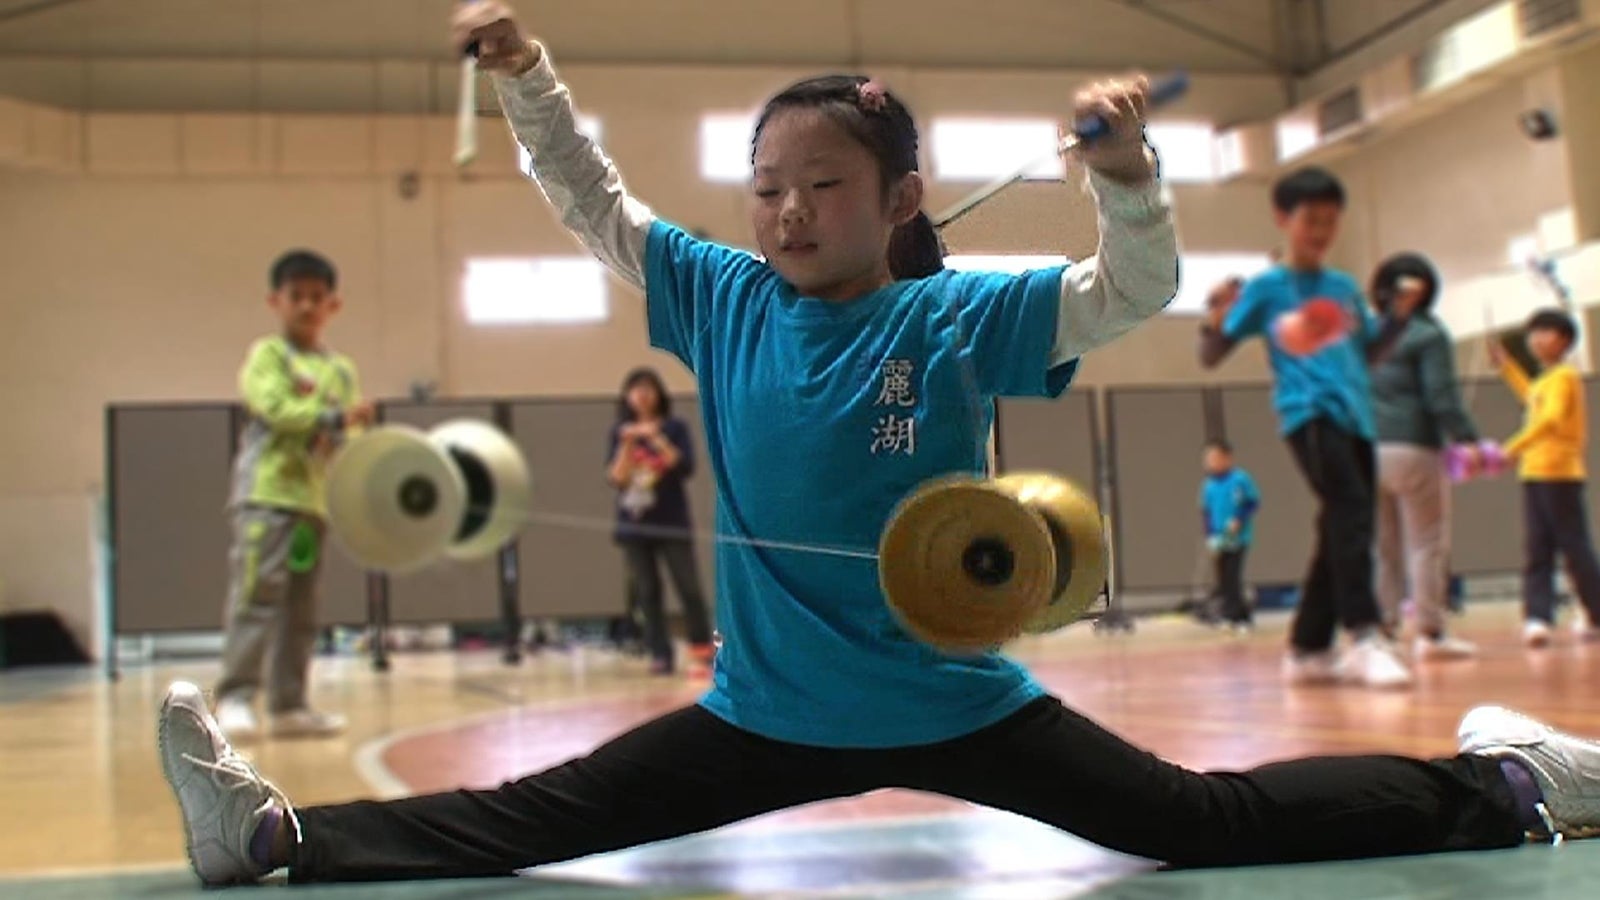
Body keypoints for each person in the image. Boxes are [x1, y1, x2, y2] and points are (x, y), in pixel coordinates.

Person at [158, 6, 1600, 887]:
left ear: (896, 192)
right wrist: (531, 74)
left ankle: (1520, 786)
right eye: (767, 187)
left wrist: (1127, 181)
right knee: (530, 819)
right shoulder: (722, 295)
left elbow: (1134, 293)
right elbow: (599, 208)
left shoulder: (963, 315)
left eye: (822, 186)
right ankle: (275, 838)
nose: (786, 213)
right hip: (768, 713)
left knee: (1204, 822)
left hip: (958, 701)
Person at [1197, 167, 1420, 690]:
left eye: (1330, 221)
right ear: (1283, 218)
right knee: (1352, 514)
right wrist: (1213, 314)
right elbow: (1213, 353)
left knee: (1340, 523)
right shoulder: (1267, 289)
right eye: (1310, 220)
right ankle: (1363, 633)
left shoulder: (1343, 289)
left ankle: (1308, 647)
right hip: (1309, 414)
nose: (1320, 231)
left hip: (1357, 417)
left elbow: (1368, 352)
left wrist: (1399, 318)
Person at [213, 250, 373, 741]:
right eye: (296, 296)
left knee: (301, 604)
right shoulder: (269, 355)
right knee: (258, 595)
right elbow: (273, 407)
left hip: (311, 505)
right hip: (267, 497)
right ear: (275, 301)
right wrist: (330, 420)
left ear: (333, 305)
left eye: (317, 297)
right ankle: (235, 695)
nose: (307, 306)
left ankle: (289, 704)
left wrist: (343, 437)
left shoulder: (341, 370)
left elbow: (348, 435)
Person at [1367, 252, 1482, 660]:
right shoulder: (1429, 334)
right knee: (1427, 543)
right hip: (1414, 447)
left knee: (1383, 547)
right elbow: (1441, 397)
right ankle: (1431, 633)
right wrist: (1468, 439)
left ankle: (1381, 629)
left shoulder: (1366, 331)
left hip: (1367, 450)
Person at [1491, 308, 1600, 646]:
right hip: (1534, 474)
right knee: (1537, 547)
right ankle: (1538, 617)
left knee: (1574, 548)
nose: (1535, 339)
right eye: (1532, 333)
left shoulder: (1565, 376)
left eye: (1545, 332)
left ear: (1564, 340)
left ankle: (1595, 612)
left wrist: (1511, 447)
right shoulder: (1545, 380)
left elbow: (1550, 418)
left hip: (1560, 474)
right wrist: (1507, 368)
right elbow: (1533, 397)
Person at [607, 365, 715, 677]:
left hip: (671, 523)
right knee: (647, 590)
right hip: (634, 526)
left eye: (648, 389)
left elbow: (682, 465)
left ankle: (701, 650)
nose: (642, 396)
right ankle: (659, 652)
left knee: (689, 587)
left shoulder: (674, 427)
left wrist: (655, 438)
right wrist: (628, 443)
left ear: (658, 395)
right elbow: (616, 477)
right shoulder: (620, 432)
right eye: (635, 390)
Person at [1198, 439, 1259, 631]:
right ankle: (1239, 614)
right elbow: (1206, 512)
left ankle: (1235, 616)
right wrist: (1209, 535)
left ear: (1227, 458)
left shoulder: (1240, 479)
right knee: (1223, 578)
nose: (1210, 462)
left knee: (1233, 576)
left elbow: (1253, 503)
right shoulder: (1208, 486)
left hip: (1238, 538)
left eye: (1215, 458)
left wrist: (1239, 519)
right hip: (1219, 539)